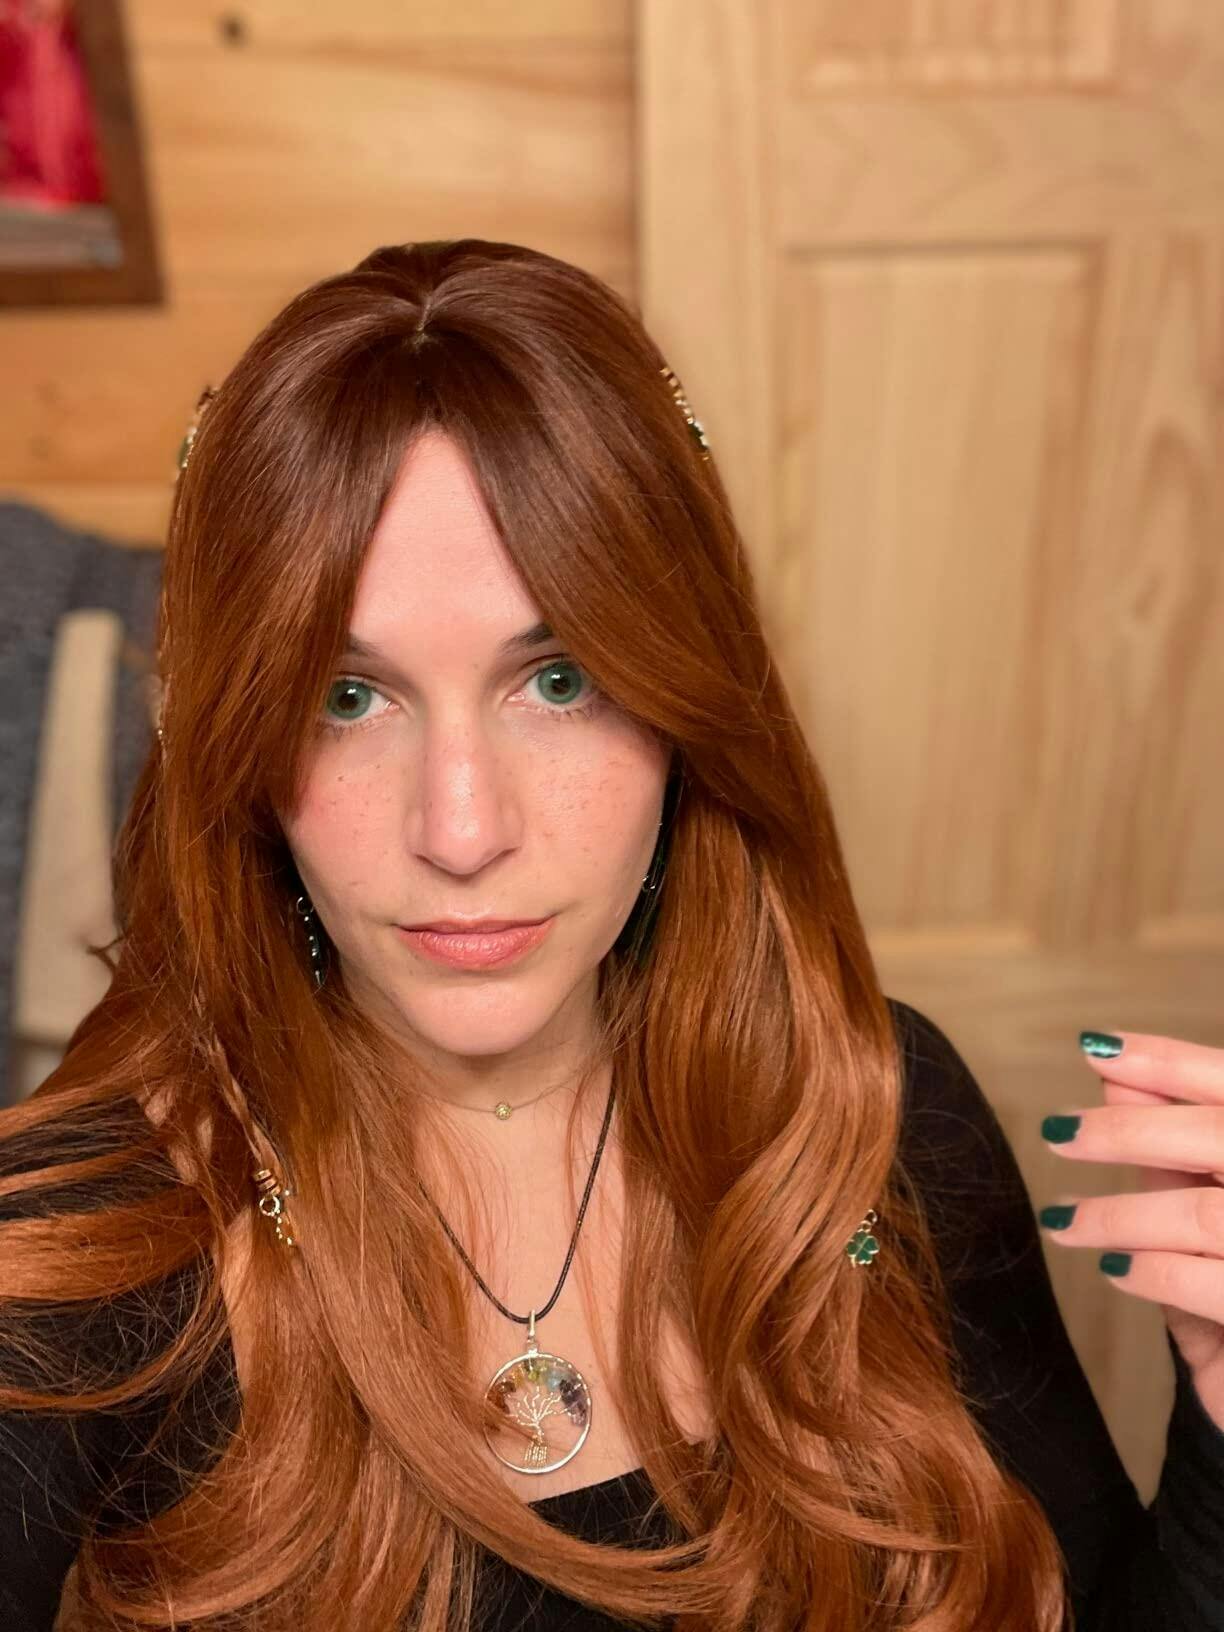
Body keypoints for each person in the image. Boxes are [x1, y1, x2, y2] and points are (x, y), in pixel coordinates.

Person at [1, 239, 1221, 1632]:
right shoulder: (92, 1234)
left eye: (558, 679)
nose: (463, 830)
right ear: (236, 744)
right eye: (349, 697)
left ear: (687, 701)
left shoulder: (868, 1113)